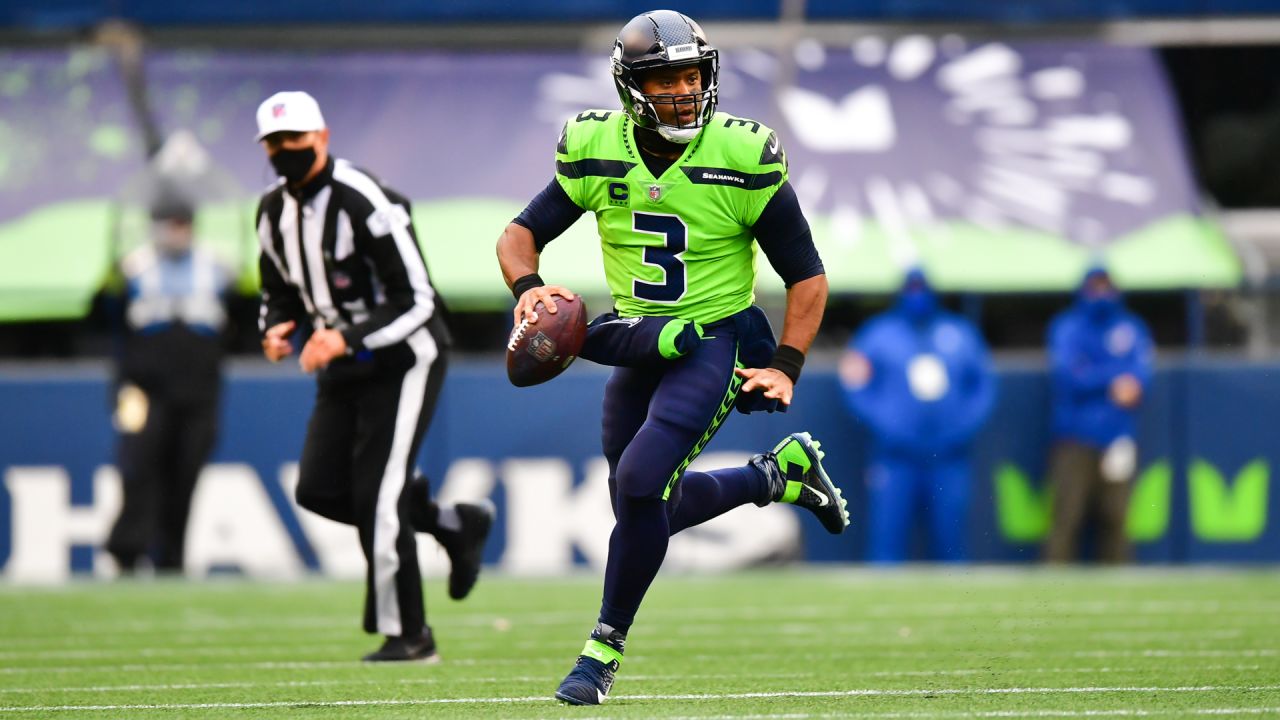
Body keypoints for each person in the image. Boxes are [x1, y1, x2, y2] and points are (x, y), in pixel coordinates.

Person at [495, 10, 849, 706]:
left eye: (691, 75)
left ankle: (600, 653)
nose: (684, 91)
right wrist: (529, 290)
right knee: (641, 503)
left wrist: (785, 363)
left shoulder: (742, 156)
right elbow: (519, 233)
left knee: (640, 483)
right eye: (665, 79)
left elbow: (807, 276)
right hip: (638, 339)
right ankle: (778, 474)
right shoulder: (597, 145)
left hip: (712, 340)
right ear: (633, 88)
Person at [253, 90, 493, 662]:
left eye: (296, 140)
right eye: (275, 143)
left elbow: (418, 299)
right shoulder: (270, 211)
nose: (286, 151)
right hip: (342, 364)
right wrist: (276, 326)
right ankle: (449, 523)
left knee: (378, 496)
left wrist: (345, 336)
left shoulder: (365, 200)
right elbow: (276, 288)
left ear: (322, 137)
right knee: (318, 489)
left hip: (404, 358)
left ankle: (410, 636)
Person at [105, 192, 231, 573]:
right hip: (140, 389)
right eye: (169, 223)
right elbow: (104, 320)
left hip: (199, 390)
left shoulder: (217, 268)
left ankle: (172, 555)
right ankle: (127, 550)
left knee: (186, 467)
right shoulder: (132, 268)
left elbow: (235, 321)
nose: (176, 232)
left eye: (182, 223)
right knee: (138, 462)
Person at [838, 268, 996, 563]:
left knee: (951, 544)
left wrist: (961, 428)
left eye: (921, 286)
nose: (917, 294)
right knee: (887, 544)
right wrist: (885, 425)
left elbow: (984, 386)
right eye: (911, 287)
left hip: (948, 456)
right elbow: (854, 383)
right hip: (895, 456)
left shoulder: (959, 332)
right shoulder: (877, 334)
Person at [1043, 265, 1154, 563]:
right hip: (1075, 436)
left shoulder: (1131, 327)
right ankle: (1051, 597)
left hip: (1118, 435)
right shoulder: (1068, 327)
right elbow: (1071, 377)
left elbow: (1140, 379)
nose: (1101, 293)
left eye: (1107, 286)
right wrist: (1113, 379)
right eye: (1096, 286)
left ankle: (1120, 597)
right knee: (1067, 516)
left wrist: (1105, 377)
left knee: (1117, 518)